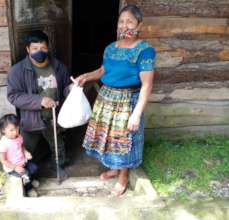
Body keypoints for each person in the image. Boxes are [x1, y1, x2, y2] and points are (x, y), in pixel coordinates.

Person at [76, 4, 156, 196]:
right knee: (109, 138)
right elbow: (103, 71)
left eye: (129, 21)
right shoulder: (110, 48)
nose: (124, 25)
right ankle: (114, 168)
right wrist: (87, 76)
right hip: (106, 98)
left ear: (139, 25)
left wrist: (136, 114)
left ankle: (123, 177)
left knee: (124, 140)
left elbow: (147, 85)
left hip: (127, 100)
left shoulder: (145, 50)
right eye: (121, 21)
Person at [7, 30, 71, 180]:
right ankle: (25, 175)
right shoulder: (17, 71)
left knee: (58, 146)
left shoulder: (58, 67)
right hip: (31, 118)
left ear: (48, 48)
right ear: (28, 49)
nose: (39, 51)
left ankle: (57, 165)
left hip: (54, 117)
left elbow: (65, 88)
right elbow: (13, 96)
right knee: (23, 150)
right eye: (35, 48)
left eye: (43, 48)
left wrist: (72, 90)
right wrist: (39, 101)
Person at [0, 114, 38, 187]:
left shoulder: (18, 137)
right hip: (12, 167)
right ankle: (29, 189)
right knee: (26, 174)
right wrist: (15, 167)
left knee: (34, 168)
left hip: (23, 162)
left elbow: (21, 145)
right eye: (11, 130)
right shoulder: (3, 144)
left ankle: (30, 181)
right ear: (3, 130)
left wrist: (25, 152)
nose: (15, 132)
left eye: (17, 128)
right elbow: (3, 160)